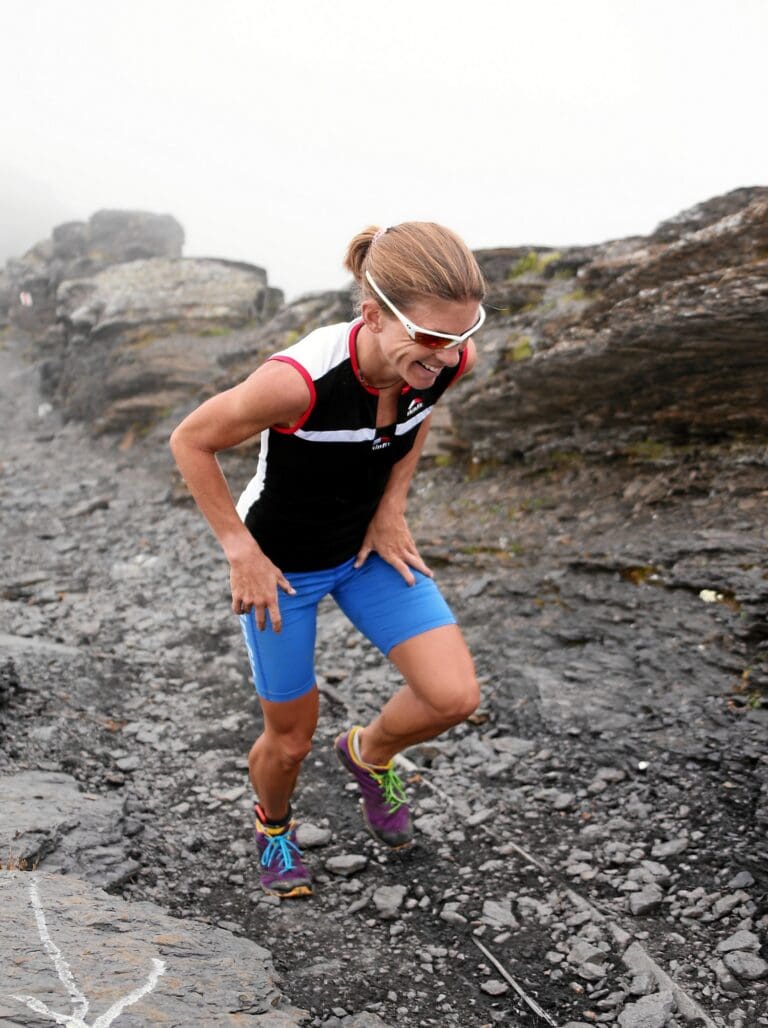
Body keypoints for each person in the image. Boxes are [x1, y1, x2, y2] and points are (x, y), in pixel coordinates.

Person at [170, 222, 487, 898]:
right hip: (284, 569)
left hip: (365, 551)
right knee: (288, 743)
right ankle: (274, 827)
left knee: (453, 696)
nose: (444, 358)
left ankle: (369, 756)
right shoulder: (296, 384)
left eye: (458, 338)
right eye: (430, 340)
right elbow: (191, 441)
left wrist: (392, 505)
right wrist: (240, 550)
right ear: (371, 314)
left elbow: (420, 413)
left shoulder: (446, 360)